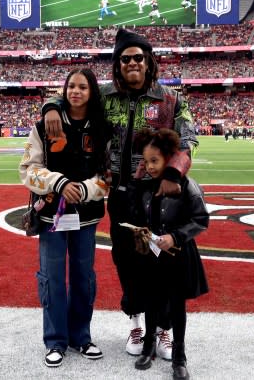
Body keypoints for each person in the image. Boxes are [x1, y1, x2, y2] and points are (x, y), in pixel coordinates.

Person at [42, 28, 198, 360]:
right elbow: (73, 95)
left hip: (157, 197)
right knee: (126, 261)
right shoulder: (105, 95)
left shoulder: (170, 100)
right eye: (125, 58)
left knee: (161, 261)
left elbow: (188, 140)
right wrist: (51, 106)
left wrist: (174, 172)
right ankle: (137, 323)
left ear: (149, 61)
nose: (131, 63)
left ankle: (165, 329)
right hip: (119, 196)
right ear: (117, 63)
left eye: (138, 57)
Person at [19, 68, 110, 368]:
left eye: (83, 87)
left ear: (91, 91)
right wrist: (58, 183)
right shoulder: (44, 125)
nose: (76, 92)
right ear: (64, 89)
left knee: (84, 278)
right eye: (71, 86)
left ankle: (81, 337)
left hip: (86, 216)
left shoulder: (102, 127)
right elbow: (28, 169)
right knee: (53, 279)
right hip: (51, 218)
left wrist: (85, 189)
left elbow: (110, 173)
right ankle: (55, 340)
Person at [129, 127, 209, 380]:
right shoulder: (145, 186)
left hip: (178, 256)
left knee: (177, 307)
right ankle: (148, 346)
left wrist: (174, 237)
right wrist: (135, 181)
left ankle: (179, 356)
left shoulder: (187, 184)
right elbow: (136, 214)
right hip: (152, 256)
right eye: (146, 161)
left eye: (155, 160)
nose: (150, 166)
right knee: (151, 301)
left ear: (169, 158)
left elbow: (201, 219)